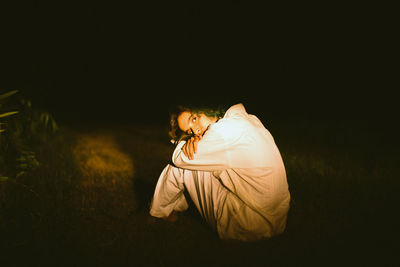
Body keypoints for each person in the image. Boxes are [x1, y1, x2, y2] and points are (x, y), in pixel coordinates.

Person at [149, 103, 290, 241]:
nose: (196, 131)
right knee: (200, 163)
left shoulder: (222, 133)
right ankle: (173, 206)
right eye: (190, 131)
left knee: (183, 166)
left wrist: (184, 142)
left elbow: (179, 159)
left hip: (247, 225)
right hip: (277, 220)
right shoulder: (246, 119)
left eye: (194, 119)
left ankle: (158, 212)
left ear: (206, 107)